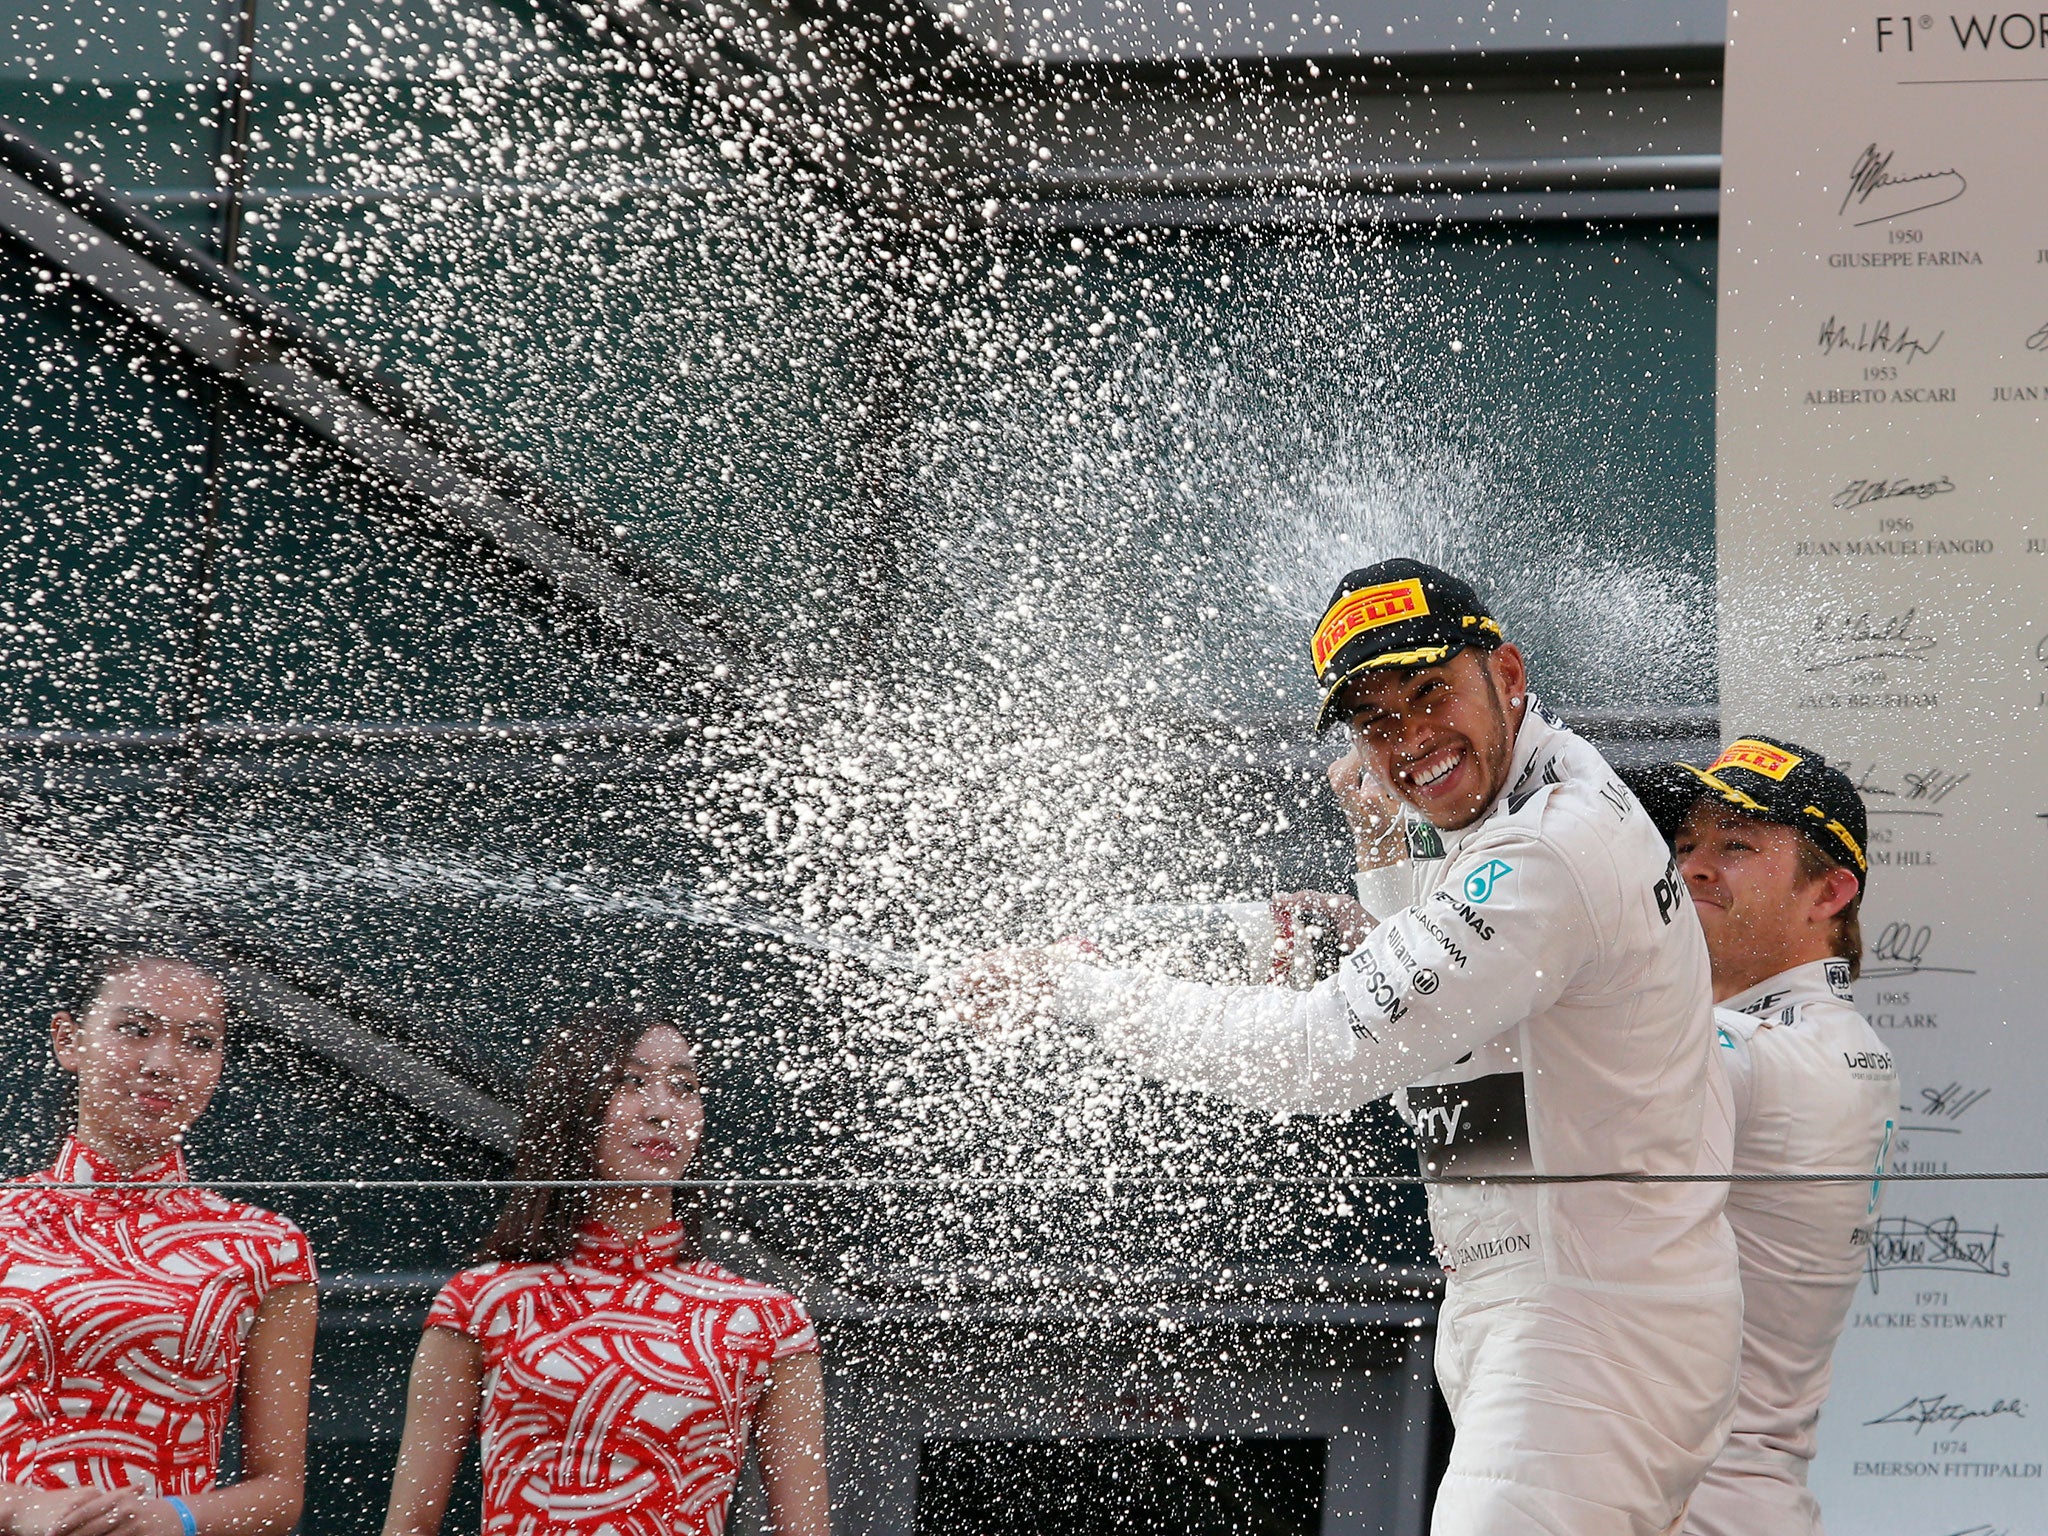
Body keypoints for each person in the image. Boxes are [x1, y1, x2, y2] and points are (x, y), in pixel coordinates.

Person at [952, 558, 1741, 1536]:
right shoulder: (1525, 789)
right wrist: (1385, 861)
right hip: (1565, 1309)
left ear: (1505, 672)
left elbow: (1317, 1057)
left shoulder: (1541, 852)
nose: (1408, 739)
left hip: (1584, 1334)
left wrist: (1071, 988)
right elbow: (1450, 1033)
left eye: (1427, 693)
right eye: (1374, 722)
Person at [382, 1008, 828, 1536]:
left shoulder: (765, 1318)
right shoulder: (485, 1300)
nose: (663, 1111)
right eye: (631, 1082)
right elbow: (411, 1524)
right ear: (574, 1104)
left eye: (684, 1088)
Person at [1626, 739, 1893, 1536]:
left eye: (1736, 845)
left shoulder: (1815, 1050)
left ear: (1830, 892)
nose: (1694, 868)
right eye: (1684, 846)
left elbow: (1589, 1062)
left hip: (1706, 1504)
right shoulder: (1760, 1034)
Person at [0, 950, 318, 1536]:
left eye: (199, 1042)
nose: (164, 1064)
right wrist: (18, 1506)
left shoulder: (267, 1246)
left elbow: (279, 1493)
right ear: (67, 1040)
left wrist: (172, 1517)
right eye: (134, 1030)